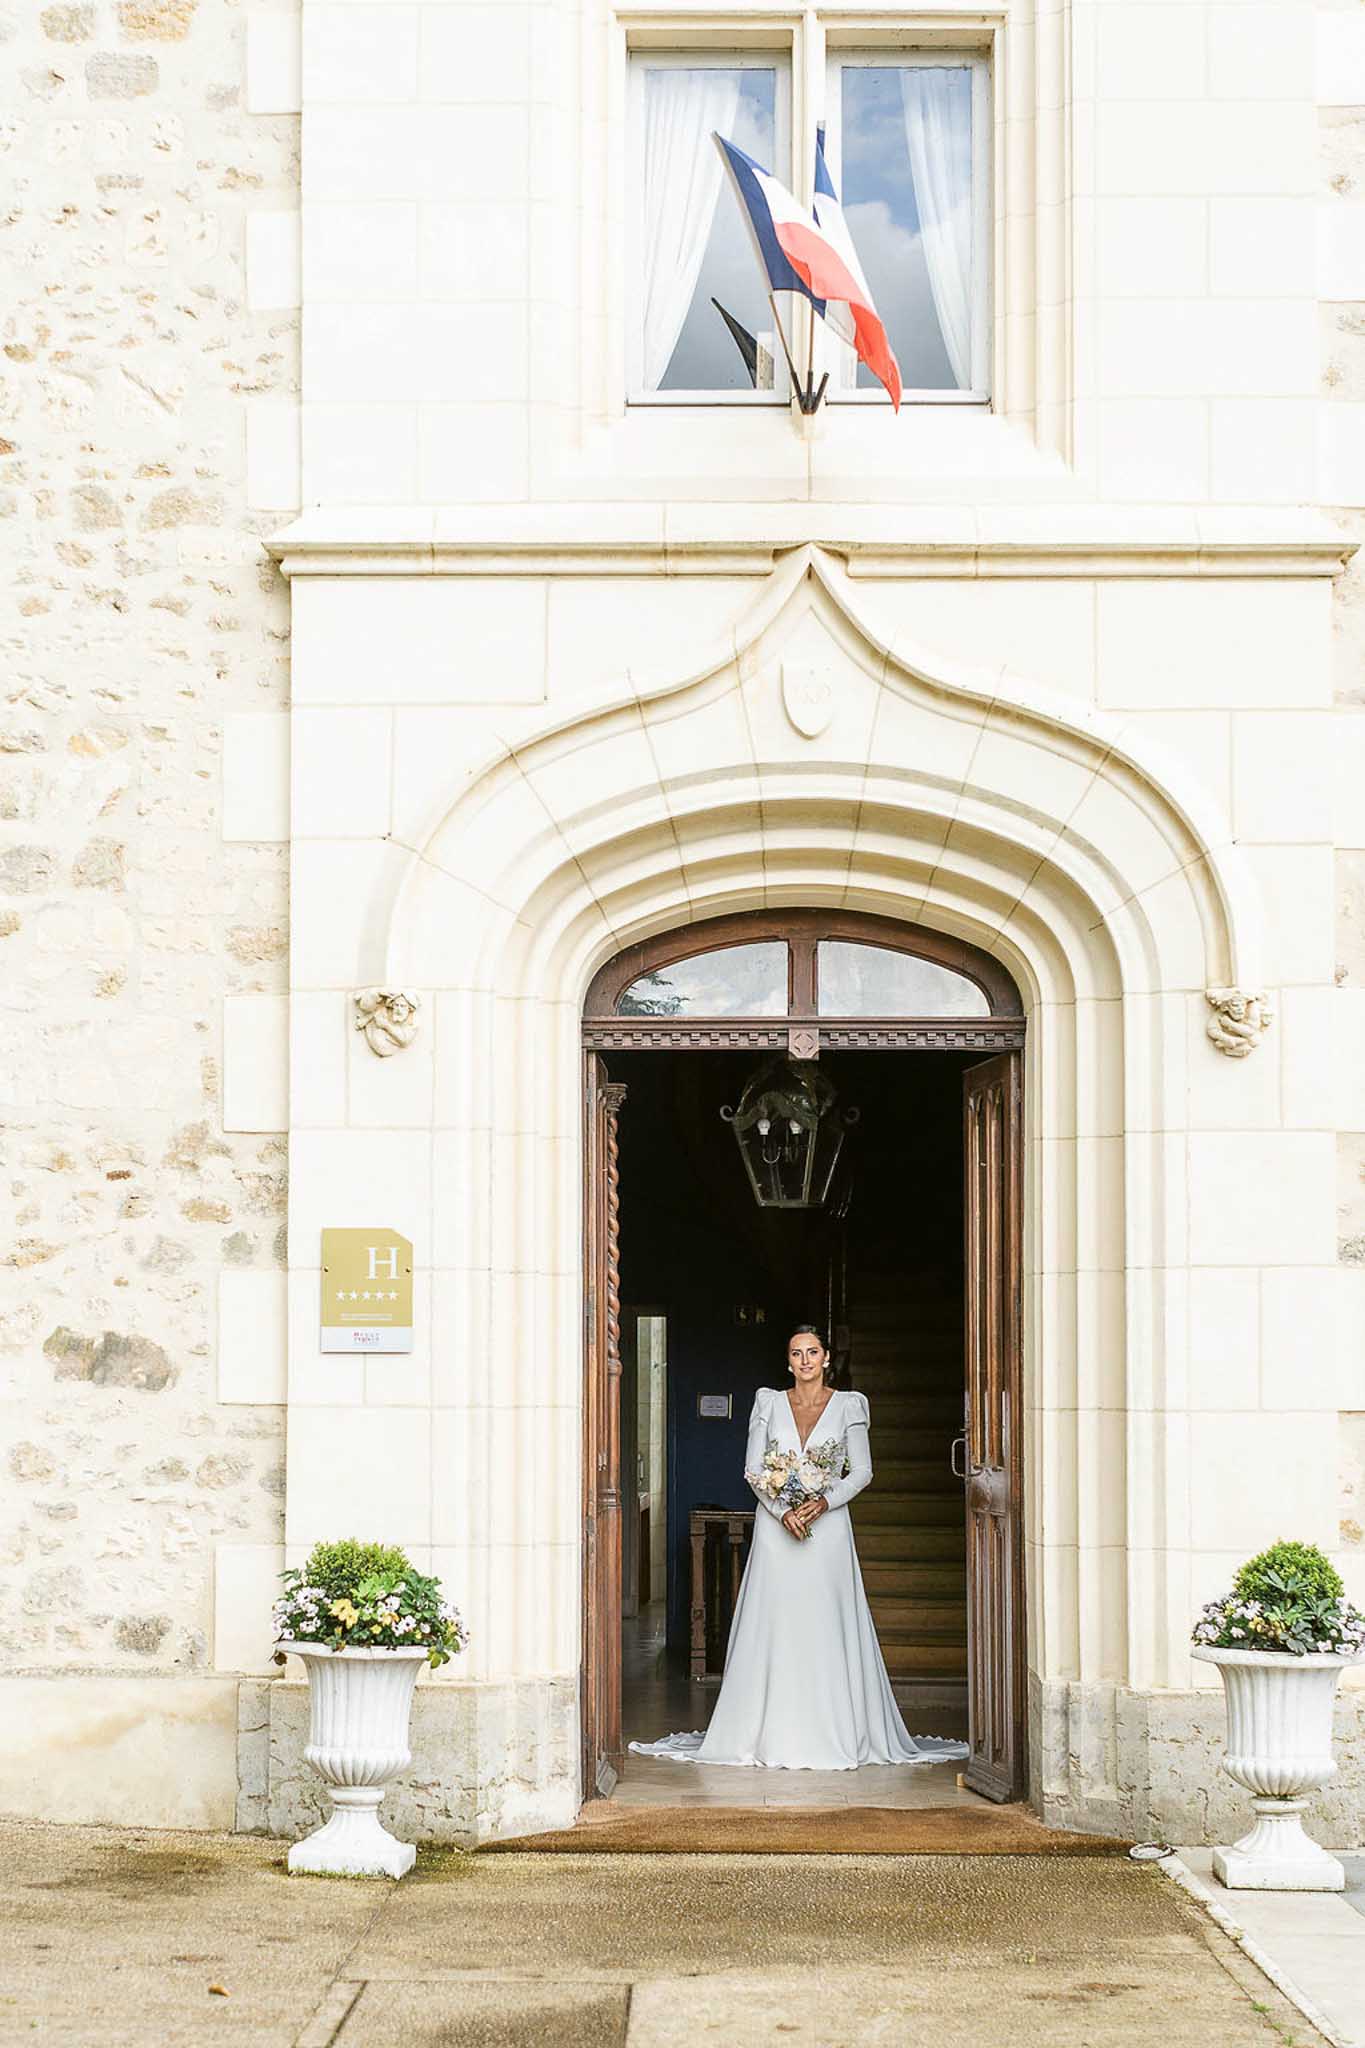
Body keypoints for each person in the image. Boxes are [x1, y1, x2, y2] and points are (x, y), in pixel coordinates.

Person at [630, 1324, 969, 1771]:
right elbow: (753, 1469)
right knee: (776, 1622)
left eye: (813, 1352)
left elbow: (863, 1471)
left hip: (828, 1531)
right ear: (787, 1361)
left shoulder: (850, 1405)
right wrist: (781, 1511)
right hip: (778, 1532)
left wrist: (823, 1502)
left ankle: (835, 1730)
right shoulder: (768, 1402)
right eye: (796, 1353)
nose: (805, 1360)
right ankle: (766, 1731)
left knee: (826, 1622)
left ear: (827, 1358)